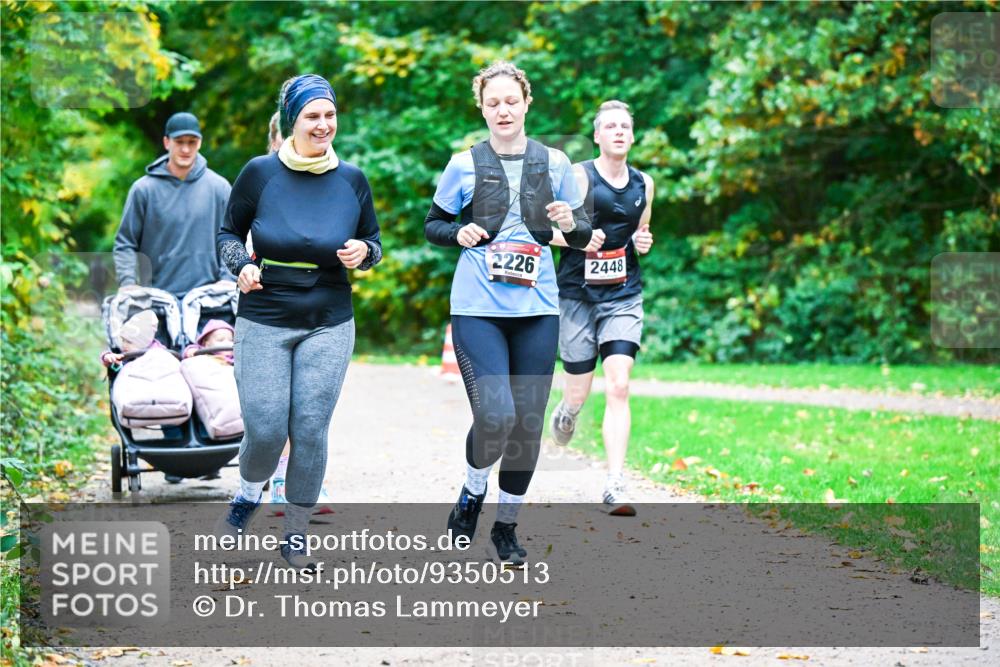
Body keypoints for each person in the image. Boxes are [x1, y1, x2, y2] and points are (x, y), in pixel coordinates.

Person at [425, 61, 596, 565]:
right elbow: (433, 224)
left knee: (526, 424)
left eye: (511, 101)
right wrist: (457, 232)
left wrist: (571, 220)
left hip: (538, 309)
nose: (502, 110)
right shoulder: (463, 164)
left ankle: (506, 526)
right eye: (492, 102)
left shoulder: (557, 163)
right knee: (496, 415)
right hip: (478, 307)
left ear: (526, 103)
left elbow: (583, 234)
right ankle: (472, 492)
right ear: (481, 107)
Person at [215, 74, 381, 569]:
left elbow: (373, 242)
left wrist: (363, 252)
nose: (324, 124)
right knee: (265, 430)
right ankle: (247, 495)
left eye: (330, 115)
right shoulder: (259, 174)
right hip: (265, 315)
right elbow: (228, 233)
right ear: (293, 122)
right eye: (313, 115)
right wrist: (240, 264)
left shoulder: (352, 180)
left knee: (310, 428)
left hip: (329, 317)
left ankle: (297, 533)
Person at [549, 100, 654, 516]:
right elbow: (543, 230)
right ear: (597, 135)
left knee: (619, 385)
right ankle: (569, 408)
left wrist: (644, 241)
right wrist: (577, 238)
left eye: (624, 126)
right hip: (576, 295)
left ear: (632, 135)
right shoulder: (578, 176)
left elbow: (642, 232)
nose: (618, 132)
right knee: (579, 387)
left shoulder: (645, 183)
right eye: (609, 126)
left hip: (624, 294)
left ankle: (614, 482)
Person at [113, 112, 234, 298]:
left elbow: (233, 238)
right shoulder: (143, 189)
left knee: (222, 330)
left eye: (192, 142)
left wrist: (227, 278)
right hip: (155, 298)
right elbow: (125, 243)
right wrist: (128, 282)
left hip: (209, 298)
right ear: (166, 142)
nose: (185, 149)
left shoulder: (220, 188)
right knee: (138, 327)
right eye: (179, 142)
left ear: (200, 144)